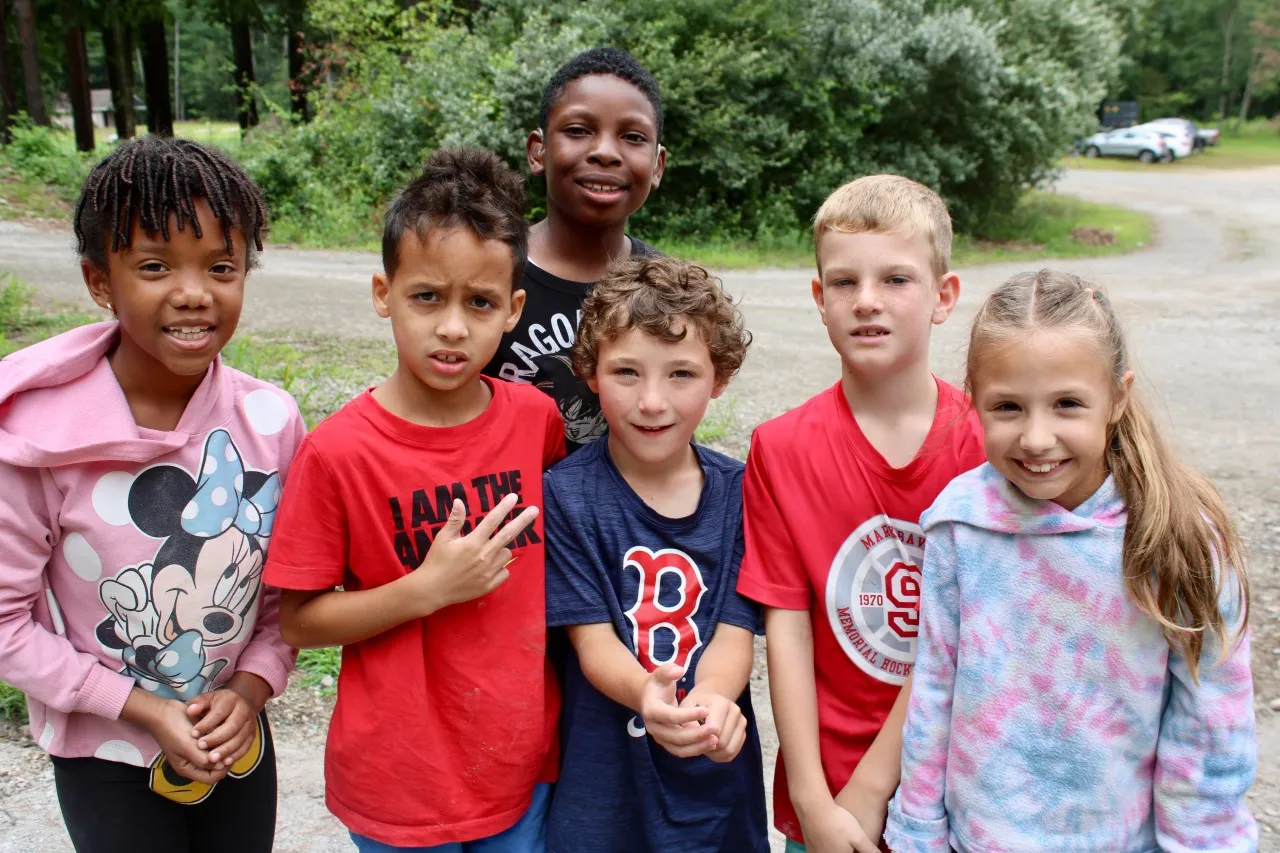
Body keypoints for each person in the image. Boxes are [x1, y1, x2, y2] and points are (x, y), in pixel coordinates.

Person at [0, 135, 304, 852]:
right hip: (103, 753)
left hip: (235, 740)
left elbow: (288, 597)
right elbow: (6, 624)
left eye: (221, 266)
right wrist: (140, 707)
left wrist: (251, 690)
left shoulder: (271, 422)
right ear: (99, 279)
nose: (194, 290)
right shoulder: (37, 440)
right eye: (155, 265)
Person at [886, 270, 1257, 853]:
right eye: (1007, 406)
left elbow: (1210, 727)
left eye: (1067, 404)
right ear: (974, 399)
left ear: (1118, 397)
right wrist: (917, 833)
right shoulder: (959, 523)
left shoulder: (1180, 536)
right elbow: (935, 688)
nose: (1036, 438)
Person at [263, 147, 565, 852]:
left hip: (521, 764)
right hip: (399, 780)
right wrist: (425, 589)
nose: (453, 327)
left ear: (514, 309)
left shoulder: (534, 421)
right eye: (427, 296)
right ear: (383, 293)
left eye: (480, 302)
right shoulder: (337, 452)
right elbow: (300, 622)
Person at [736, 175, 986, 852]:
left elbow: (962, 636)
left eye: (896, 279)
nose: (867, 301)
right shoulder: (780, 448)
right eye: (844, 282)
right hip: (828, 802)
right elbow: (786, 630)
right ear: (819, 298)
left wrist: (874, 787)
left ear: (944, 296)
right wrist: (811, 801)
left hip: (960, 790)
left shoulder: (988, 446)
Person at [542, 256, 768, 853]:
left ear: (718, 378)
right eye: (626, 372)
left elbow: (735, 630)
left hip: (717, 781)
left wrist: (715, 701)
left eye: (681, 375)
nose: (651, 401)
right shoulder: (565, 496)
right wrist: (647, 694)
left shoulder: (743, 493)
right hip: (604, 782)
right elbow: (591, 641)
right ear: (589, 372)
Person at [484, 46, 666, 452]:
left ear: (657, 166)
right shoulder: (487, 270)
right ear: (538, 151)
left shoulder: (667, 286)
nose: (604, 151)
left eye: (632, 137)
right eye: (578, 130)